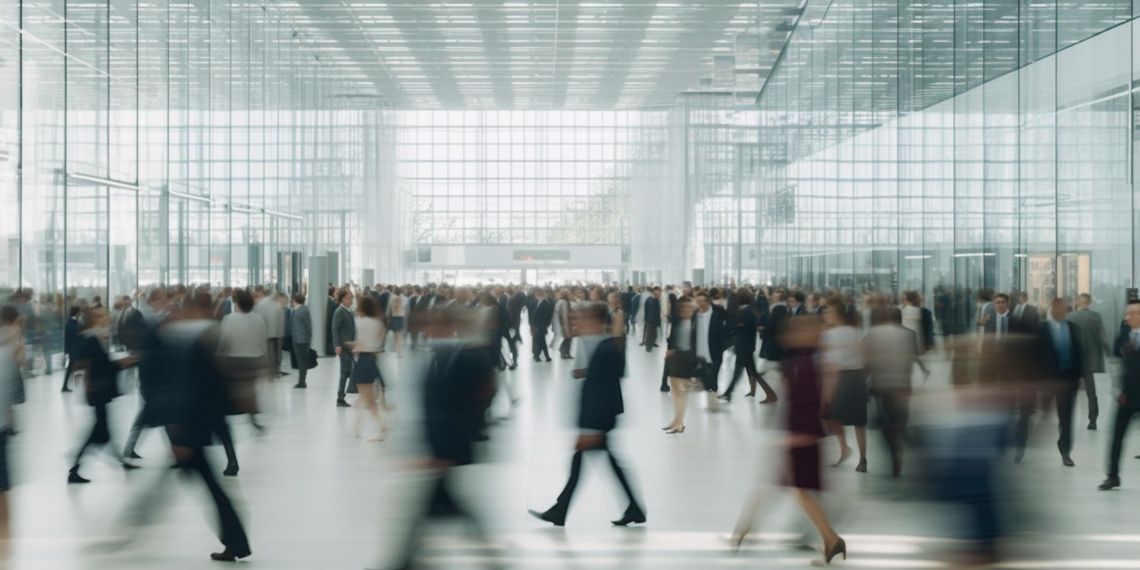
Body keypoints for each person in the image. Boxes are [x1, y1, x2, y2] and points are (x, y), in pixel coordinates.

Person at [729, 315, 846, 565]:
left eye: (798, 332)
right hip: (799, 436)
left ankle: (830, 538)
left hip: (800, 437)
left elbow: (808, 403)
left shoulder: (804, 362)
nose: (790, 336)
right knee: (791, 490)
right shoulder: (807, 360)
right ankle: (744, 530)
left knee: (793, 490)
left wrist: (796, 436)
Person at [388, 306, 496, 569]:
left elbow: (468, 405)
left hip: (447, 449)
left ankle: (403, 562)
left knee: (428, 511)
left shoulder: (462, 358)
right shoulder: (439, 356)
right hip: (442, 448)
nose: (428, 331)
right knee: (444, 509)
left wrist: (443, 450)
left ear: (449, 328)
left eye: (434, 326)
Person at [530, 303, 645, 527]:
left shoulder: (606, 349)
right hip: (598, 419)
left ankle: (561, 510)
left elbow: (604, 389)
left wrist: (591, 428)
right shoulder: (601, 345)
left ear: (597, 322)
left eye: (582, 319)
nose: (577, 323)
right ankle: (632, 508)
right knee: (602, 463)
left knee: (586, 464)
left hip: (597, 420)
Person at [161, 291, 252, 562]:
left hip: (194, 426)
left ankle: (236, 541)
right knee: (211, 485)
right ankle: (236, 541)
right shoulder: (211, 334)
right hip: (208, 421)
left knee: (210, 485)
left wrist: (181, 433)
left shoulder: (191, 340)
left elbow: (192, 388)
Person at [68, 307, 138, 483]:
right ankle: (75, 467)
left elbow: (91, 363)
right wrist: (123, 363)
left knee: (103, 429)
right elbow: (94, 365)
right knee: (99, 431)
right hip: (98, 389)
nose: (106, 318)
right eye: (101, 316)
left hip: (98, 388)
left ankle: (117, 461)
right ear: (94, 320)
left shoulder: (95, 337)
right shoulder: (91, 338)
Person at [216, 289, 266, 476]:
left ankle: (232, 460)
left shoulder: (229, 320)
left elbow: (223, 344)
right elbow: (262, 343)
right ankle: (252, 418)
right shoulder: (259, 319)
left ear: (236, 303)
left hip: (232, 365)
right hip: (252, 364)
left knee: (223, 412)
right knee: (247, 396)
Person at [864, 308, 917, 476]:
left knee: (885, 421)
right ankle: (900, 438)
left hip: (882, 385)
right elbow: (912, 358)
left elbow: (866, 360)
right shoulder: (910, 334)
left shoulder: (872, 333)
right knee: (900, 418)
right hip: (902, 385)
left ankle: (894, 450)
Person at [1032, 298, 1083, 467]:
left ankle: (1065, 451)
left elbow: (1079, 354)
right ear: (1052, 309)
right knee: (1042, 414)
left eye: (1064, 308)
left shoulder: (1073, 329)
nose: (1062, 311)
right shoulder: (1042, 329)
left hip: (1068, 380)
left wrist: (1080, 377)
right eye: (1059, 308)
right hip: (1049, 380)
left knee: (1066, 418)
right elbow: (1035, 356)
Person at [820, 299, 869, 472]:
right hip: (858, 378)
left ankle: (845, 448)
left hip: (840, 379)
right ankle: (862, 459)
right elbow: (865, 357)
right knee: (859, 422)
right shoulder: (857, 332)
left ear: (838, 315)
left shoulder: (829, 335)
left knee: (829, 415)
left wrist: (826, 392)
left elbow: (829, 366)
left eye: (829, 313)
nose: (826, 316)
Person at [1099, 300, 1140, 490]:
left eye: (1133, 313)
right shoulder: (1124, 334)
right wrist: (1117, 391)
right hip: (1127, 396)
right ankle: (1112, 476)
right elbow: (1115, 362)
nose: (1128, 317)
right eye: (1127, 313)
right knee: (1116, 437)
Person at [720, 289, 777, 403]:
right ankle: (728, 393)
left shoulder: (746, 312)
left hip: (744, 346)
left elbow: (743, 328)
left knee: (750, 372)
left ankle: (771, 394)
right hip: (745, 345)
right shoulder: (749, 311)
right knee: (741, 371)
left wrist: (737, 326)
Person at [1067, 293, 1109, 430]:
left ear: (1078, 302)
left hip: (1073, 361)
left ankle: (1066, 422)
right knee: (1091, 393)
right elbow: (1103, 337)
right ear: (1089, 302)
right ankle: (1092, 421)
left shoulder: (1070, 317)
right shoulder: (1096, 316)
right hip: (1089, 361)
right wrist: (1110, 354)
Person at [349, 295, 388, 441]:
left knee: (368, 399)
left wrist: (354, 346)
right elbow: (377, 344)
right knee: (363, 396)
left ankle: (381, 427)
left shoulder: (361, 322)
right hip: (372, 360)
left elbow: (361, 343)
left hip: (363, 360)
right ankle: (357, 426)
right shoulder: (379, 323)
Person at [662, 296, 699, 433]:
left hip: (687, 358)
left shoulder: (696, 322)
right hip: (677, 356)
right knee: (675, 392)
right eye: (683, 308)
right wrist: (669, 351)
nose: (685, 310)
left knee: (681, 393)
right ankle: (677, 421)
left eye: (688, 307)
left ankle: (679, 423)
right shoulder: (678, 321)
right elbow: (672, 337)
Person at [332, 287, 357, 407]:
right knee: (344, 373)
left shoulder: (348, 311)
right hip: (343, 347)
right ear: (342, 299)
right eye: (348, 298)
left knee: (347, 373)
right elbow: (334, 329)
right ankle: (340, 398)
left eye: (351, 298)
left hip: (349, 347)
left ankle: (342, 396)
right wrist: (336, 345)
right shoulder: (339, 312)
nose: (350, 300)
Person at [291, 294, 313, 389]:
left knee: (302, 362)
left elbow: (308, 326)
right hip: (299, 339)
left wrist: (308, 338)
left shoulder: (302, 311)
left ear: (295, 300)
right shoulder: (299, 310)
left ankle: (302, 382)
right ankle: (301, 381)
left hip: (301, 340)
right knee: (301, 361)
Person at [529, 289, 553, 362]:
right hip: (540, 326)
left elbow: (545, 316)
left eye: (536, 295)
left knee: (539, 341)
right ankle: (546, 356)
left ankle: (537, 356)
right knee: (542, 341)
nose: (535, 297)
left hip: (541, 326)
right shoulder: (541, 302)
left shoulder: (545, 303)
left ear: (539, 295)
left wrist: (540, 325)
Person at [62, 305, 82, 392]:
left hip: (72, 350)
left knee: (71, 368)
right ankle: (66, 386)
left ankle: (65, 385)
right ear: (77, 313)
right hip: (75, 350)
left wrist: (66, 350)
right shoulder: (74, 325)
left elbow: (66, 339)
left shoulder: (69, 323)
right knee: (72, 368)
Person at [386, 286, 407, 358]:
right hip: (400, 318)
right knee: (399, 336)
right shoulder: (404, 299)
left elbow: (389, 310)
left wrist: (387, 317)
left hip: (394, 318)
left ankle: (398, 351)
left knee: (396, 336)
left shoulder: (391, 298)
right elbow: (405, 310)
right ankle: (399, 352)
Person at [642, 287, 662, 355]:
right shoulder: (652, 300)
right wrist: (655, 321)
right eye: (659, 293)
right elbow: (652, 312)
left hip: (651, 320)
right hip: (652, 321)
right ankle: (648, 348)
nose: (660, 295)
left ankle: (650, 345)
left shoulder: (652, 299)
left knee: (653, 334)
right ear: (655, 292)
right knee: (651, 335)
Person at [554, 289, 573, 359]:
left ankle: (565, 351)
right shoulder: (565, 302)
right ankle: (564, 352)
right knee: (568, 338)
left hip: (564, 323)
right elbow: (564, 314)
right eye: (569, 293)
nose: (570, 295)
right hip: (566, 323)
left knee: (568, 338)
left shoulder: (560, 301)